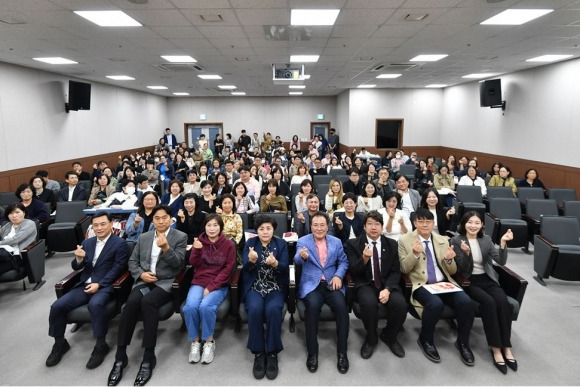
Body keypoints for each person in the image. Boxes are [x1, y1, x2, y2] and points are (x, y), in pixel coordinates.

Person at [107, 205, 187, 387]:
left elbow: (178, 264)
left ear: (170, 218)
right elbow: (132, 262)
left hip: (164, 282)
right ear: (153, 220)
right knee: (130, 305)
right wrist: (141, 274)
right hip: (144, 281)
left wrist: (166, 248)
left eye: (164, 218)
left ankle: (148, 356)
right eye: (157, 218)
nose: (160, 221)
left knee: (148, 303)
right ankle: (120, 356)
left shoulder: (179, 237)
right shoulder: (143, 238)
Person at [46, 212, 129, 369]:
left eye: (103, 224)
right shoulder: (88, 242)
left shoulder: (120, 244)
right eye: (95, 225)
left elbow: (118, 268)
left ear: (111, 224)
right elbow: (77, 267)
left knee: (95, 305)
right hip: (85, 284)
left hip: (106, 285)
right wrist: (78, 259)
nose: (99, 228)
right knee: (57, 306)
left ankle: (100, 345)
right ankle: (59, 343)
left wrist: (100, 284)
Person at [398, 208, 475, 366]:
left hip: (443, 283)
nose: (425, 224)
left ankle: (462, 342)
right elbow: (403, 269)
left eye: (428, 221)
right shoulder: (404, 240)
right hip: (421, 284)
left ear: (434, 223)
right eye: (421, 221)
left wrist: (448, 260)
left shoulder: (442, 240)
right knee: (435, 304)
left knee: (467, 302)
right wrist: (414, 254)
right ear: (415, 223)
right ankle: (426, 339)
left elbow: (452, 271)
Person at [451, 211, 517, 374]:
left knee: (503, 303)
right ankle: (496, 348)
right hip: (469, 281)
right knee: (489, 303)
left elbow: (500, 261)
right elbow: (462, 269)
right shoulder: (456, 240)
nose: (473, 226)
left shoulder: (486, 239)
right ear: (463, 223)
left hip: (488, 279)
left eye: (477, 223)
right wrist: (466, 254)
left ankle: (506, 346)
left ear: (482, 225)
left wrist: (502, 242)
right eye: (470, 222)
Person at [294, 211, 350, 374]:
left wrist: (339, 275)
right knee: (312, 308)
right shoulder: (303, 240)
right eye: (315, 225)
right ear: (311, 226)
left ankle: (342, 352)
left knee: (341, 307)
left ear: (328, 226)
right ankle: (312, 353)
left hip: (332, 281)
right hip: (312, 283)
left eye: (322, 225)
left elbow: (343, 261)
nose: (319, 228)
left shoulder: (336, 241)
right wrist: (302, 256)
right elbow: (297, 259)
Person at [346, 211, 407, 360]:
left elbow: (395, 271)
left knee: (400, 304)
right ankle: (371, 338)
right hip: (365, 283)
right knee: (369, 304)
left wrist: (388, 289)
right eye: (370, 224)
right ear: (364, 226)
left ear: (381, 227)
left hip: (386, 283)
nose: (374, 227)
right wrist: (364, 258)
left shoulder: (391, 244)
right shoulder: (353, 244)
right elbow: (354, 271)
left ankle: (389, 336)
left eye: (377, 224)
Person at [184, 214, 236, 366]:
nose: (212, 229)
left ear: (220, 227)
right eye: (208, 225)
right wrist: (197, 250)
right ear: (204, 227)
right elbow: (193, 262)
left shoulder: (228, 244)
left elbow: (228, 269)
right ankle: (195, 341)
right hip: (199, 281)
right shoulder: (199, 241)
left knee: (206, 306)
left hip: (219, 283)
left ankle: (209, 341)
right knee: (190, 307)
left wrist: (212, 286)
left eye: (215, 225)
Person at [242, 215, 289, 380]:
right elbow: (245, 270)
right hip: (255, 286)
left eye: (268, 228)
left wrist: (275, 264)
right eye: (261, 229)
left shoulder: (281, 244)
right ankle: (259, 353)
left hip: (274, 286)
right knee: (254, 309)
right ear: (257, 231)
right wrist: (251, 261)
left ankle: (272, 352)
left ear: (273, 229)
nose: (265, 232)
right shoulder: (250, 244)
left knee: (273, 309)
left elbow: (285, 269)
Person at [0, 203, 37, 277]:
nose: (14, 216)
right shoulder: (8, 225)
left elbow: (15, 240)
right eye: (11, 213)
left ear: (24, 212)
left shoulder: (29, 224)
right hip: (4, 255)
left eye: (17, 212)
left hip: (17, 257)